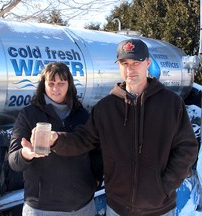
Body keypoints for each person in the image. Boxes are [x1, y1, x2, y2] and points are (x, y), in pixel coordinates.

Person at [29, 39, 199, 215]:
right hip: (117, 207)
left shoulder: (170, 103)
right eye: (124, 63)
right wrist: (56, 139)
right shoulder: (106, 107)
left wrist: (164, 187)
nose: (130, 69)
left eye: (136, 63)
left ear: (147, 63)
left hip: (159, 208)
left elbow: (187, 148)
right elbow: (83, 140)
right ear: (118, 65)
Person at [8, 62, 103, 216]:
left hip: (82, 206)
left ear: (69, 85)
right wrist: (26, 154)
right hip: (42, 208)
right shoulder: (28, 115)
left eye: (61, 83)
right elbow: (13, 161)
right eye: (50, 83)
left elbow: (96, 152)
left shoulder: (82, 115)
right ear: (43, 85)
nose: (55, 88)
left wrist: (95, 181)